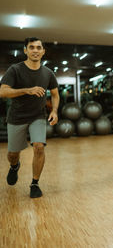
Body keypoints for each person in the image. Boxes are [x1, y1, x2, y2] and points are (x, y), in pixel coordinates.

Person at [0, 37, 59, 198]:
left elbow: (55, 94)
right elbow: (3, 91)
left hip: (38, 116)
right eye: (31, 47)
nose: (35, 50)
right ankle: (14, 166)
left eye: (38, 47)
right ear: (25, 50)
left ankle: (34, 183)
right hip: (17, 116)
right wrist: (27, 90)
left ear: (43, 51)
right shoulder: (15, 69)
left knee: (39, 146)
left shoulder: (48, 73)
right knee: (13, 153)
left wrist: (54, 110)